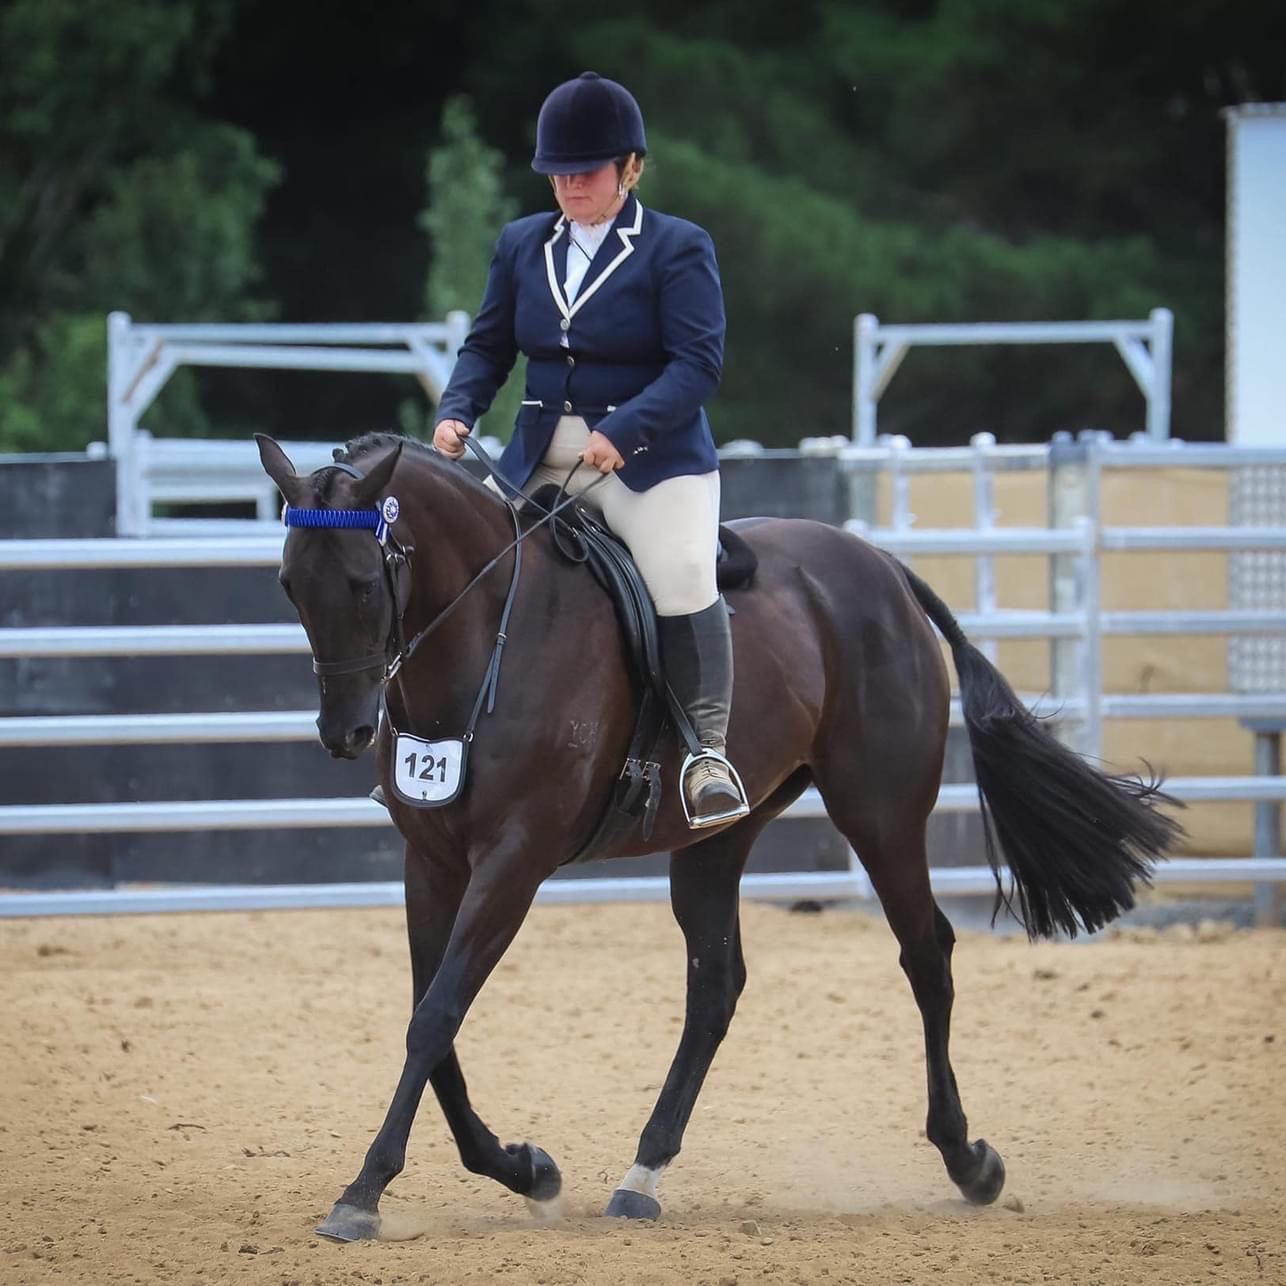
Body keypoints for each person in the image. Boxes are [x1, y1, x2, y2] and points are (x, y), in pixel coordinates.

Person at [432, 71, 748, 829]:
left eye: (588, 171)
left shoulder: (677, 247)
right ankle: (442, 745)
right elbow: (488, 345)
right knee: (464, 569)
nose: (571, 185)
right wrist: (456, 409)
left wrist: (626, 430)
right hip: (541, 454)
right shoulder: (521, 245)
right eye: (560, 173)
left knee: (678, 575)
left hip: (652, 457)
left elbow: (697, 365)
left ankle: (707, 753)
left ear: (630, 169)